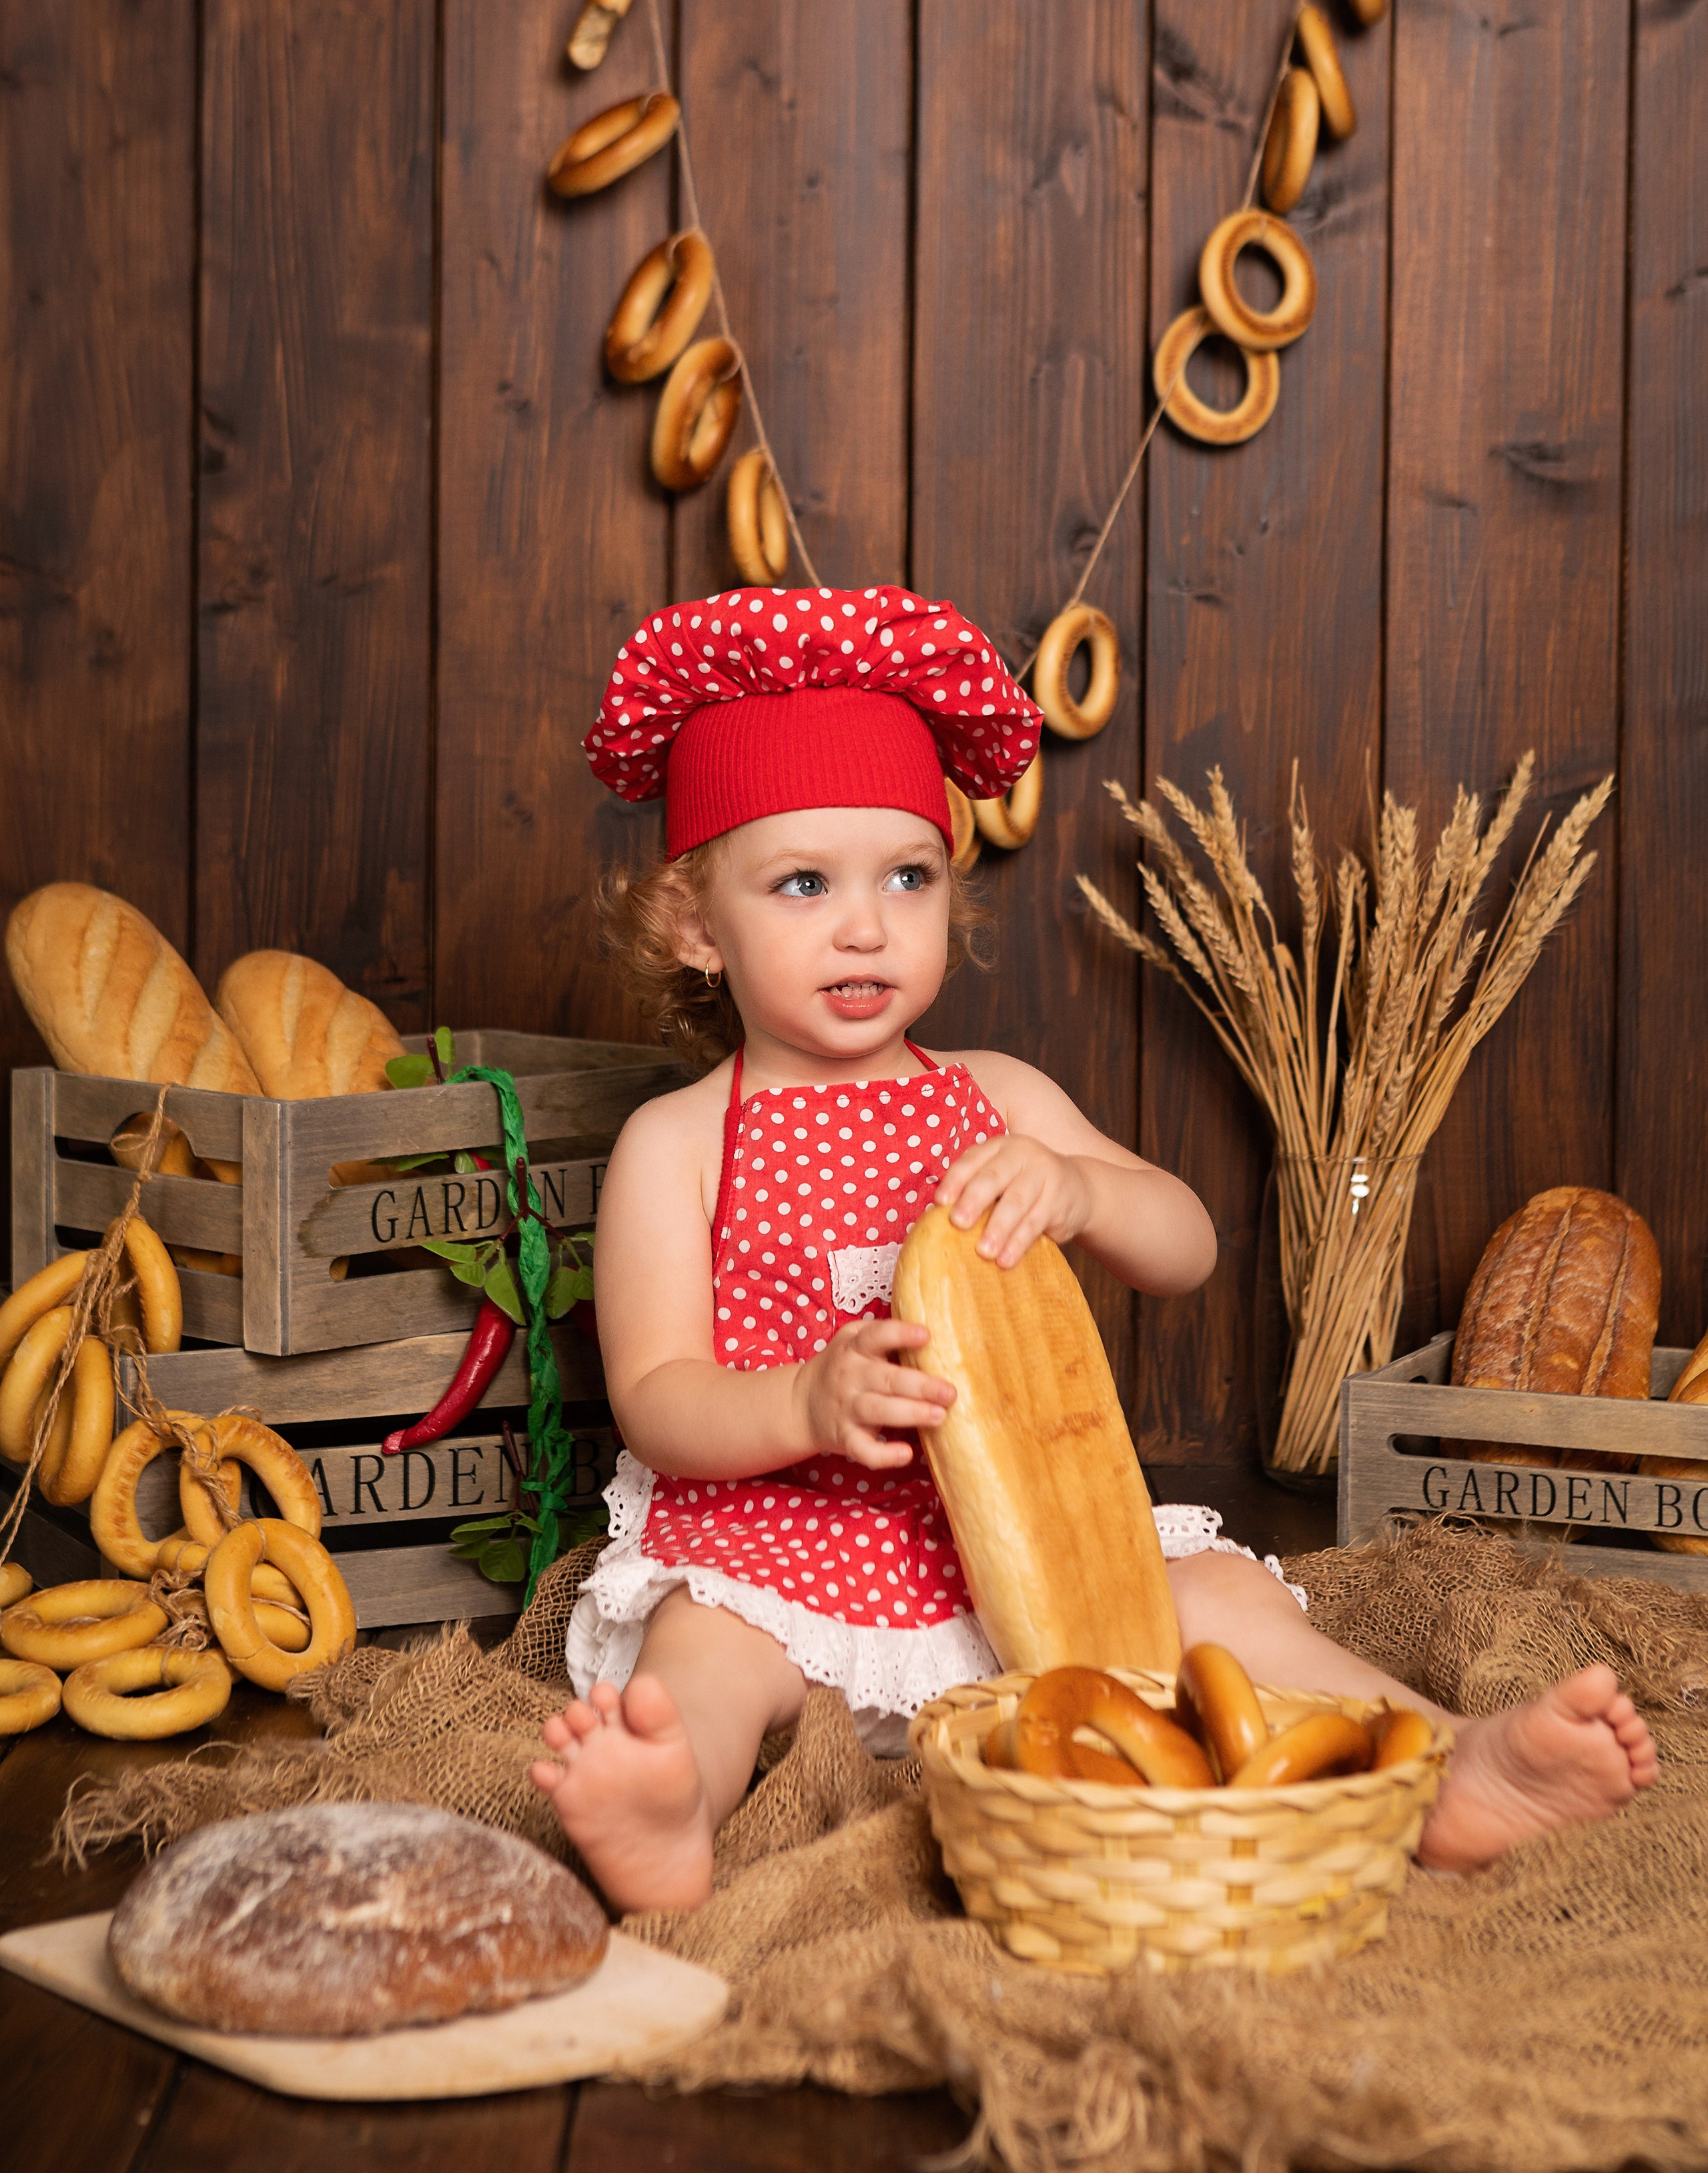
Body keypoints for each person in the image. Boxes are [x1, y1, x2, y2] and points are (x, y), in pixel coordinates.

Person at [531, 585, 1655, 1912]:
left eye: (909, 876)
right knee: (697, 1654)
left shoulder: (995, 1096)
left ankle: (1450, 1765)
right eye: (801, 884)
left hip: (1035, 1542)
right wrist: (801, 1398)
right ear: (693, 925)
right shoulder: (681, 1142)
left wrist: (1077, 1187)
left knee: (1228, 1608)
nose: (866, 925)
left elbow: (1181, 1243)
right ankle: (673, 1808)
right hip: (782, 1544)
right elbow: (656, 1398)